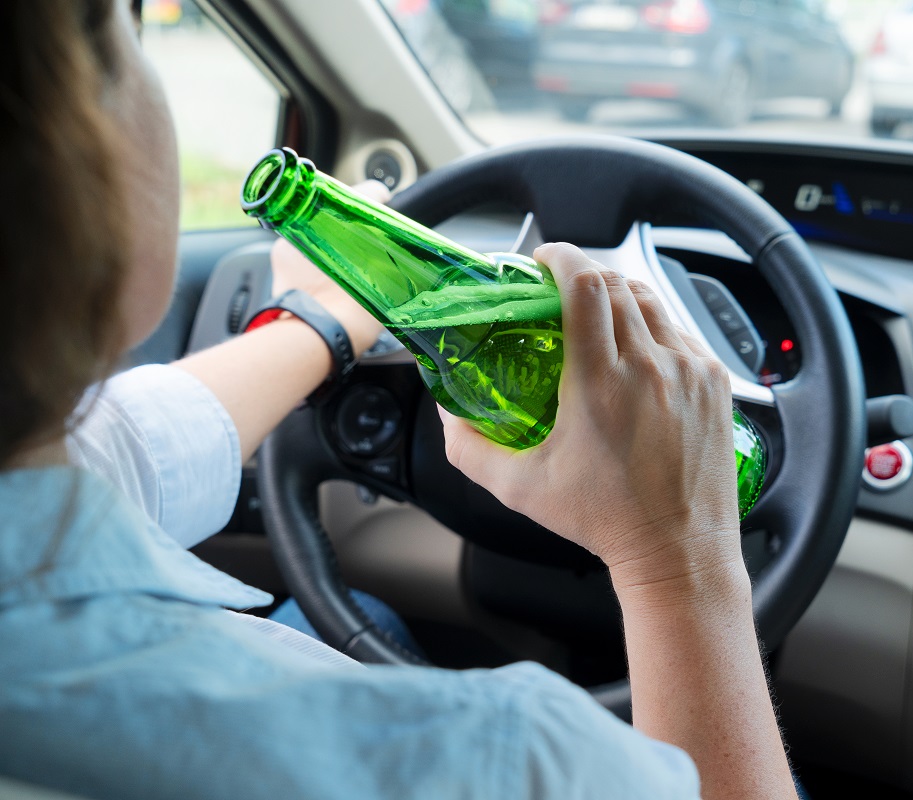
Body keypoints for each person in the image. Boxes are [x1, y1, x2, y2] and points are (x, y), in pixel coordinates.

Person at [0, 1, 800, 798]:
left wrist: (323, 318)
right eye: (124, 26)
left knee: (361, 616)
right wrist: (675, 555)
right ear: (73, 156)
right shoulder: (507, 765)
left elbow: (122, 447)